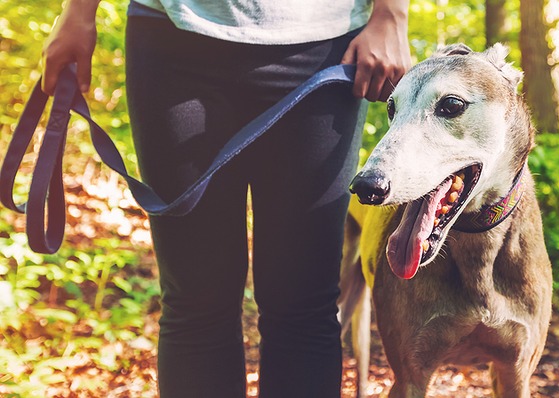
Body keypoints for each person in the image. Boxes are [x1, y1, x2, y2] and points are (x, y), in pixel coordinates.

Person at [42, 0, 411, 396]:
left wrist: (391, 14)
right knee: (195, 301)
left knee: (303, 304)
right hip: (172, 37)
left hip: (324, 44)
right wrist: (79, 11)